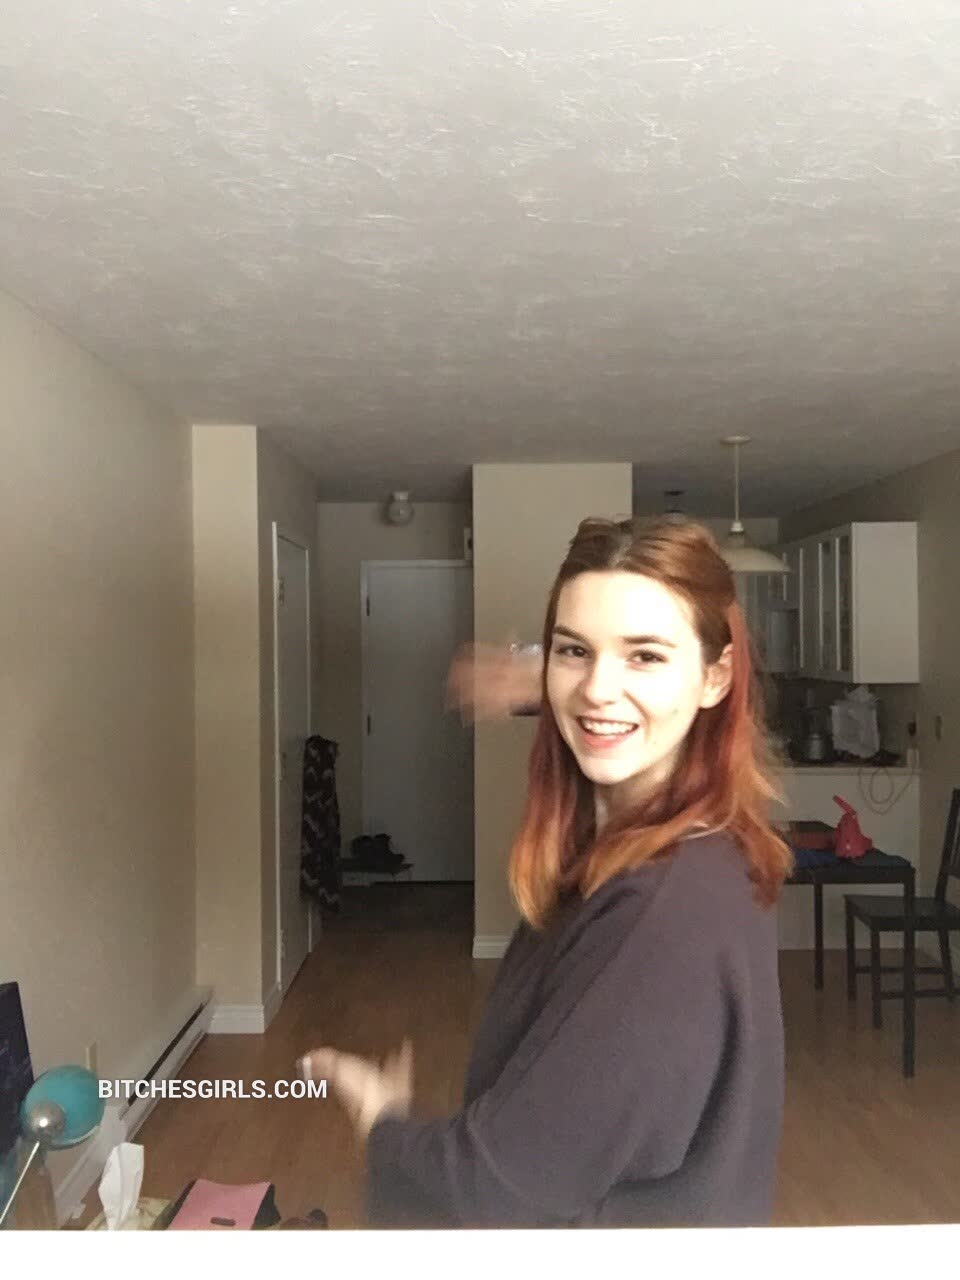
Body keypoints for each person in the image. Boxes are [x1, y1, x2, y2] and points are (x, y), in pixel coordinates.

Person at [298, 516, 792, 1229]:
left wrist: (384, 1121)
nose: (596, 690)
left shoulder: (662, 913)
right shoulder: (676, 845)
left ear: (715, 676)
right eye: (574, 651)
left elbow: (498, 1192)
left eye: (646, 656)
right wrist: (536, 679)